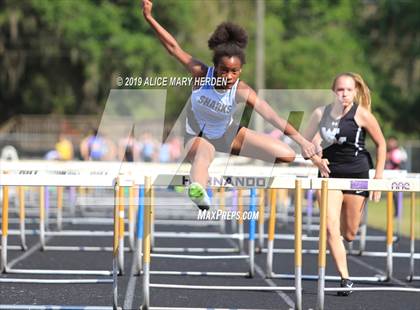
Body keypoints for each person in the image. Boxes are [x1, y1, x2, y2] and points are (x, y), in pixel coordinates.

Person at [142, 0, 323, 210]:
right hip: (197, 137)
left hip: (227, 135)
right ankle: (198, 190)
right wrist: (149, 18)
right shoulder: (201, 74)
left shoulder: (241, 90)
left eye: (234, 72)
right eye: (223, 70)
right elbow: (173, 48)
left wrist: (302, 141)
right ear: (215, 67)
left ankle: (237, 172)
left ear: (241, 71)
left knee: (286, 154)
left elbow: (272, 116)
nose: (228, 76)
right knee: (204, 154)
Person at [304, 72, 386, 295]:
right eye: (340, 90)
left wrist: (378, 179)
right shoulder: (320, 113)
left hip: (357, 176)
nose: (344, 94)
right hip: (329, 176)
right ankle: (345, 278)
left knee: (349, 233)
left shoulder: (363, 115)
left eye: (349, 90)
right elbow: (305, 144)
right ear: (333, 92)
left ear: (355, 91)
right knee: (330, 227)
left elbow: (381, 144)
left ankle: (341, 238)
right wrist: (316, 159)